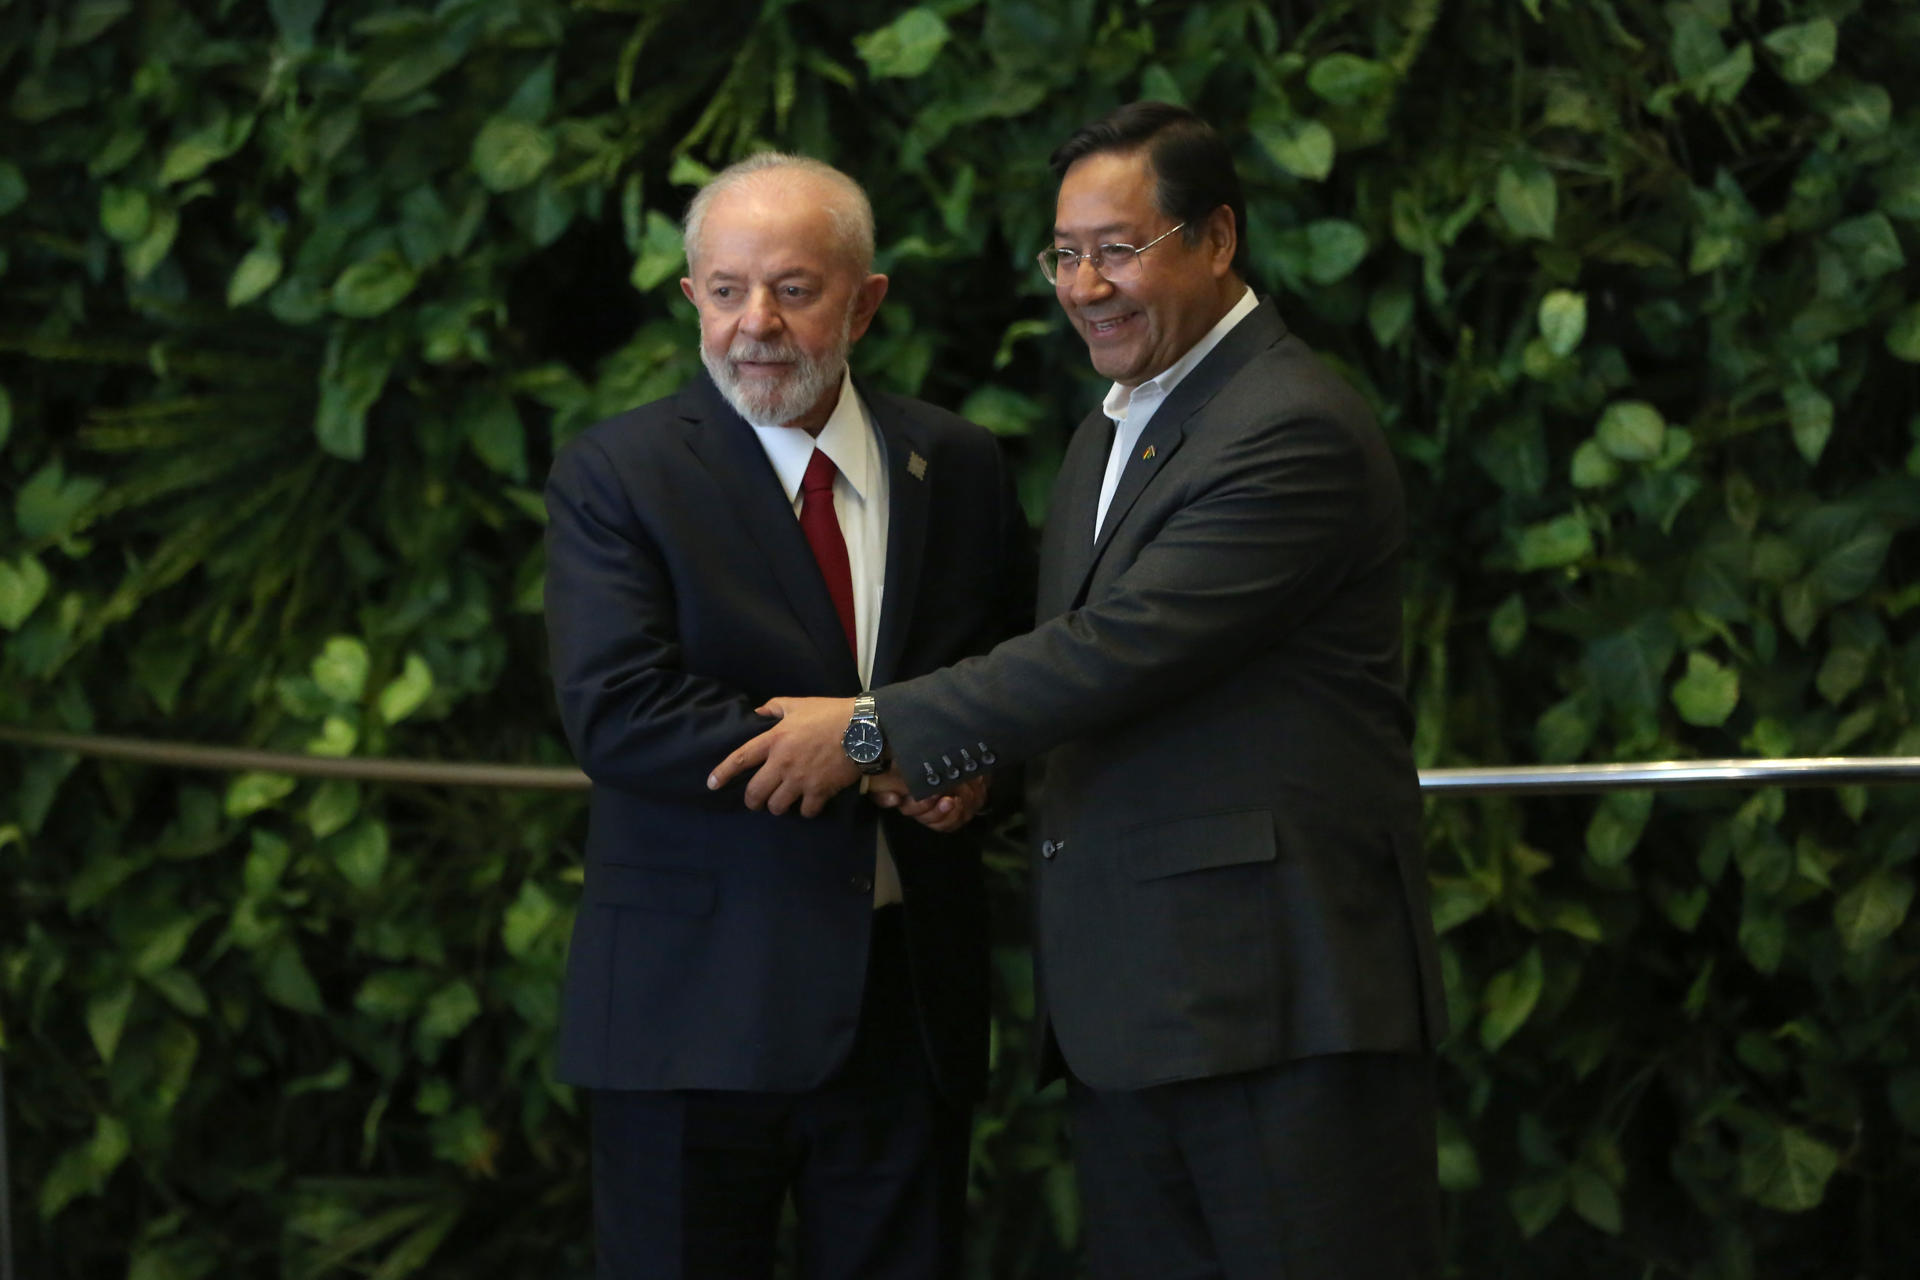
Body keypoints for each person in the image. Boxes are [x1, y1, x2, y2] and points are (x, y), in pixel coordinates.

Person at [708, 104, 1448, 1278]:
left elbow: (1120, 647)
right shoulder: (1116, 428)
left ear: (1216, 240)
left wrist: (871, 728)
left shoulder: (1287, 424)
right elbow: (1099, 691)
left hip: (1275, 1003)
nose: (1086, 285)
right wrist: (978, 766)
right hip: (1140, 1015)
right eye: (1066, 253)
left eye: (1120, 247)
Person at [543, 153, 1029, 1279]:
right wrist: (878, 752)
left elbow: (1015, 681)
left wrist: (982, 771)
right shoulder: (619, 473)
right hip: (688, 1018)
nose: (754, 323)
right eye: (724, 290)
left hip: (902, 1011)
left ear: (866, 300)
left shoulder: (955, 466)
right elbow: (619, 713)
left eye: (794, 289)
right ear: (691, 300)